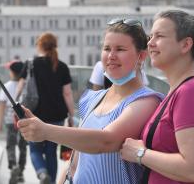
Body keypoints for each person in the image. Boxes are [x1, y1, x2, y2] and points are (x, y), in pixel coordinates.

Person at [17, 18, 163, 184]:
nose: (111, 56)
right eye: (107, 48)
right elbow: (76, 161)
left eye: (120, 49)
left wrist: (45, 131)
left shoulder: (147, 101)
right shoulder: (92, 98)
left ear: (141, 56)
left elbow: (105, 141)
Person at [120, 10, 194, 183]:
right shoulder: (179, 90)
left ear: (185, 45)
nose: (150, 43)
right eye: (150, 37)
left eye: (159, 36)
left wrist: (139, 154)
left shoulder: (192, 92)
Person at [17, 32, 75, 184]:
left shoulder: (31, 64)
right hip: (57, 115)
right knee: (51, 152)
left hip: (34, 114)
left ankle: (42, 174)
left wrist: (16, 105)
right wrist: (71, 114)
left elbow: (21, 87)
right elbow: (67, 93)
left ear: (40, 46)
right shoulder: (62, 66)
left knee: (35, 149)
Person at [0, 60, 27, 183]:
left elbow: (2, 105)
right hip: (23, 120)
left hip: (10, 121)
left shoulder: (7, 85)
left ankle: (13, 166)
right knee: (23, 146)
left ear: (12, 72)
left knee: (10, 145)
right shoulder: (25, 85)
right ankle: (20, 171)